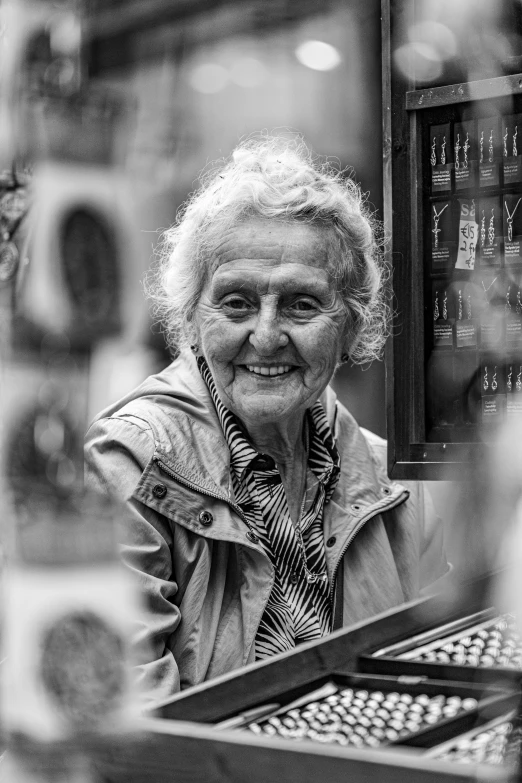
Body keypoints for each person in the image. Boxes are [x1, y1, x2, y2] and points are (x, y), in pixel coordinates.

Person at [85, 136, 448, 705]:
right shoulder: (130, 465)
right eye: (236, 303)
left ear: (350, 327)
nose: (267, 335)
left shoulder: (393, 484)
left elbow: (434, 686)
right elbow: (135, 721)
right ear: (191, 321)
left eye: (302, 304)